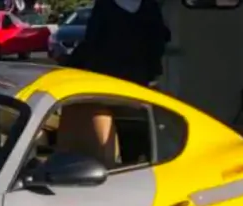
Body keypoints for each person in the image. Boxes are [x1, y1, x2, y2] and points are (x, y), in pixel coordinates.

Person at [58, 0, 171, 166]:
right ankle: (137, 160)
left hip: (108, 78)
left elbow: (93, 39)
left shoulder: (106, 5)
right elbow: (159, 40)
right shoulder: (148, 6)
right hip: (137, 80)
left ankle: (110, 161)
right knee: (136, 127)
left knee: (108, 122)